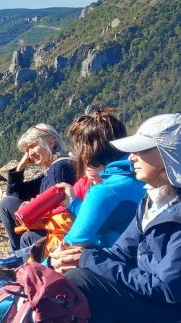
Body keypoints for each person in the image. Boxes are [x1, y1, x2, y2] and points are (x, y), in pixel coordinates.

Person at [60, 113, 181, 323]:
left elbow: (168, 289)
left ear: (169, 156)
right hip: (165, 313)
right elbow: (120, 255)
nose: (132, 157)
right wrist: (82, 256)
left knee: (83, 279)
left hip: (172, 315)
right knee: (81, 276)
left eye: (142, 151)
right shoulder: (153, 202)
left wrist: (87, 260)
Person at [49, 108, 142, 269]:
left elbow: (73, 242)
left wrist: (41, 267)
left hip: (116, 271)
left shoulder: (105, 190)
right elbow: (109, 214)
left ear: (87, 151)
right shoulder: (142, 177)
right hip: (142, 267)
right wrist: (72, 203)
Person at [0, 123, 76, 252]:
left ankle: (20, 258)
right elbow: (15, 194)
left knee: (25, 231)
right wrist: (21, 166)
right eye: (26, 151)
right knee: (8, 202)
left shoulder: (59, 169)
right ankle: (18, 256)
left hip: (59, 233)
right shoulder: (52, 169)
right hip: (54, 227)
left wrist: (30, 206)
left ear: (51, 142)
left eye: (33, 146)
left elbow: (56, 211)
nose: (29, 154)